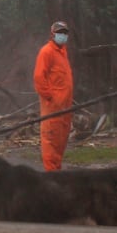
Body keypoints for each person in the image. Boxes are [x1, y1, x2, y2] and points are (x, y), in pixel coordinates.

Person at [33, 21, 73, 171]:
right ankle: (51, 177)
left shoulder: (63, 53)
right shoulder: (46, 52)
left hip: (65, 108)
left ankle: (57, 175)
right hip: (52, 109)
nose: (63, 35)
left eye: (65, 32)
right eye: (60, 32)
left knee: (60, 143)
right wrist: (51, 98)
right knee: (50, 144)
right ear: (52, 34)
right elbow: (39, 78)